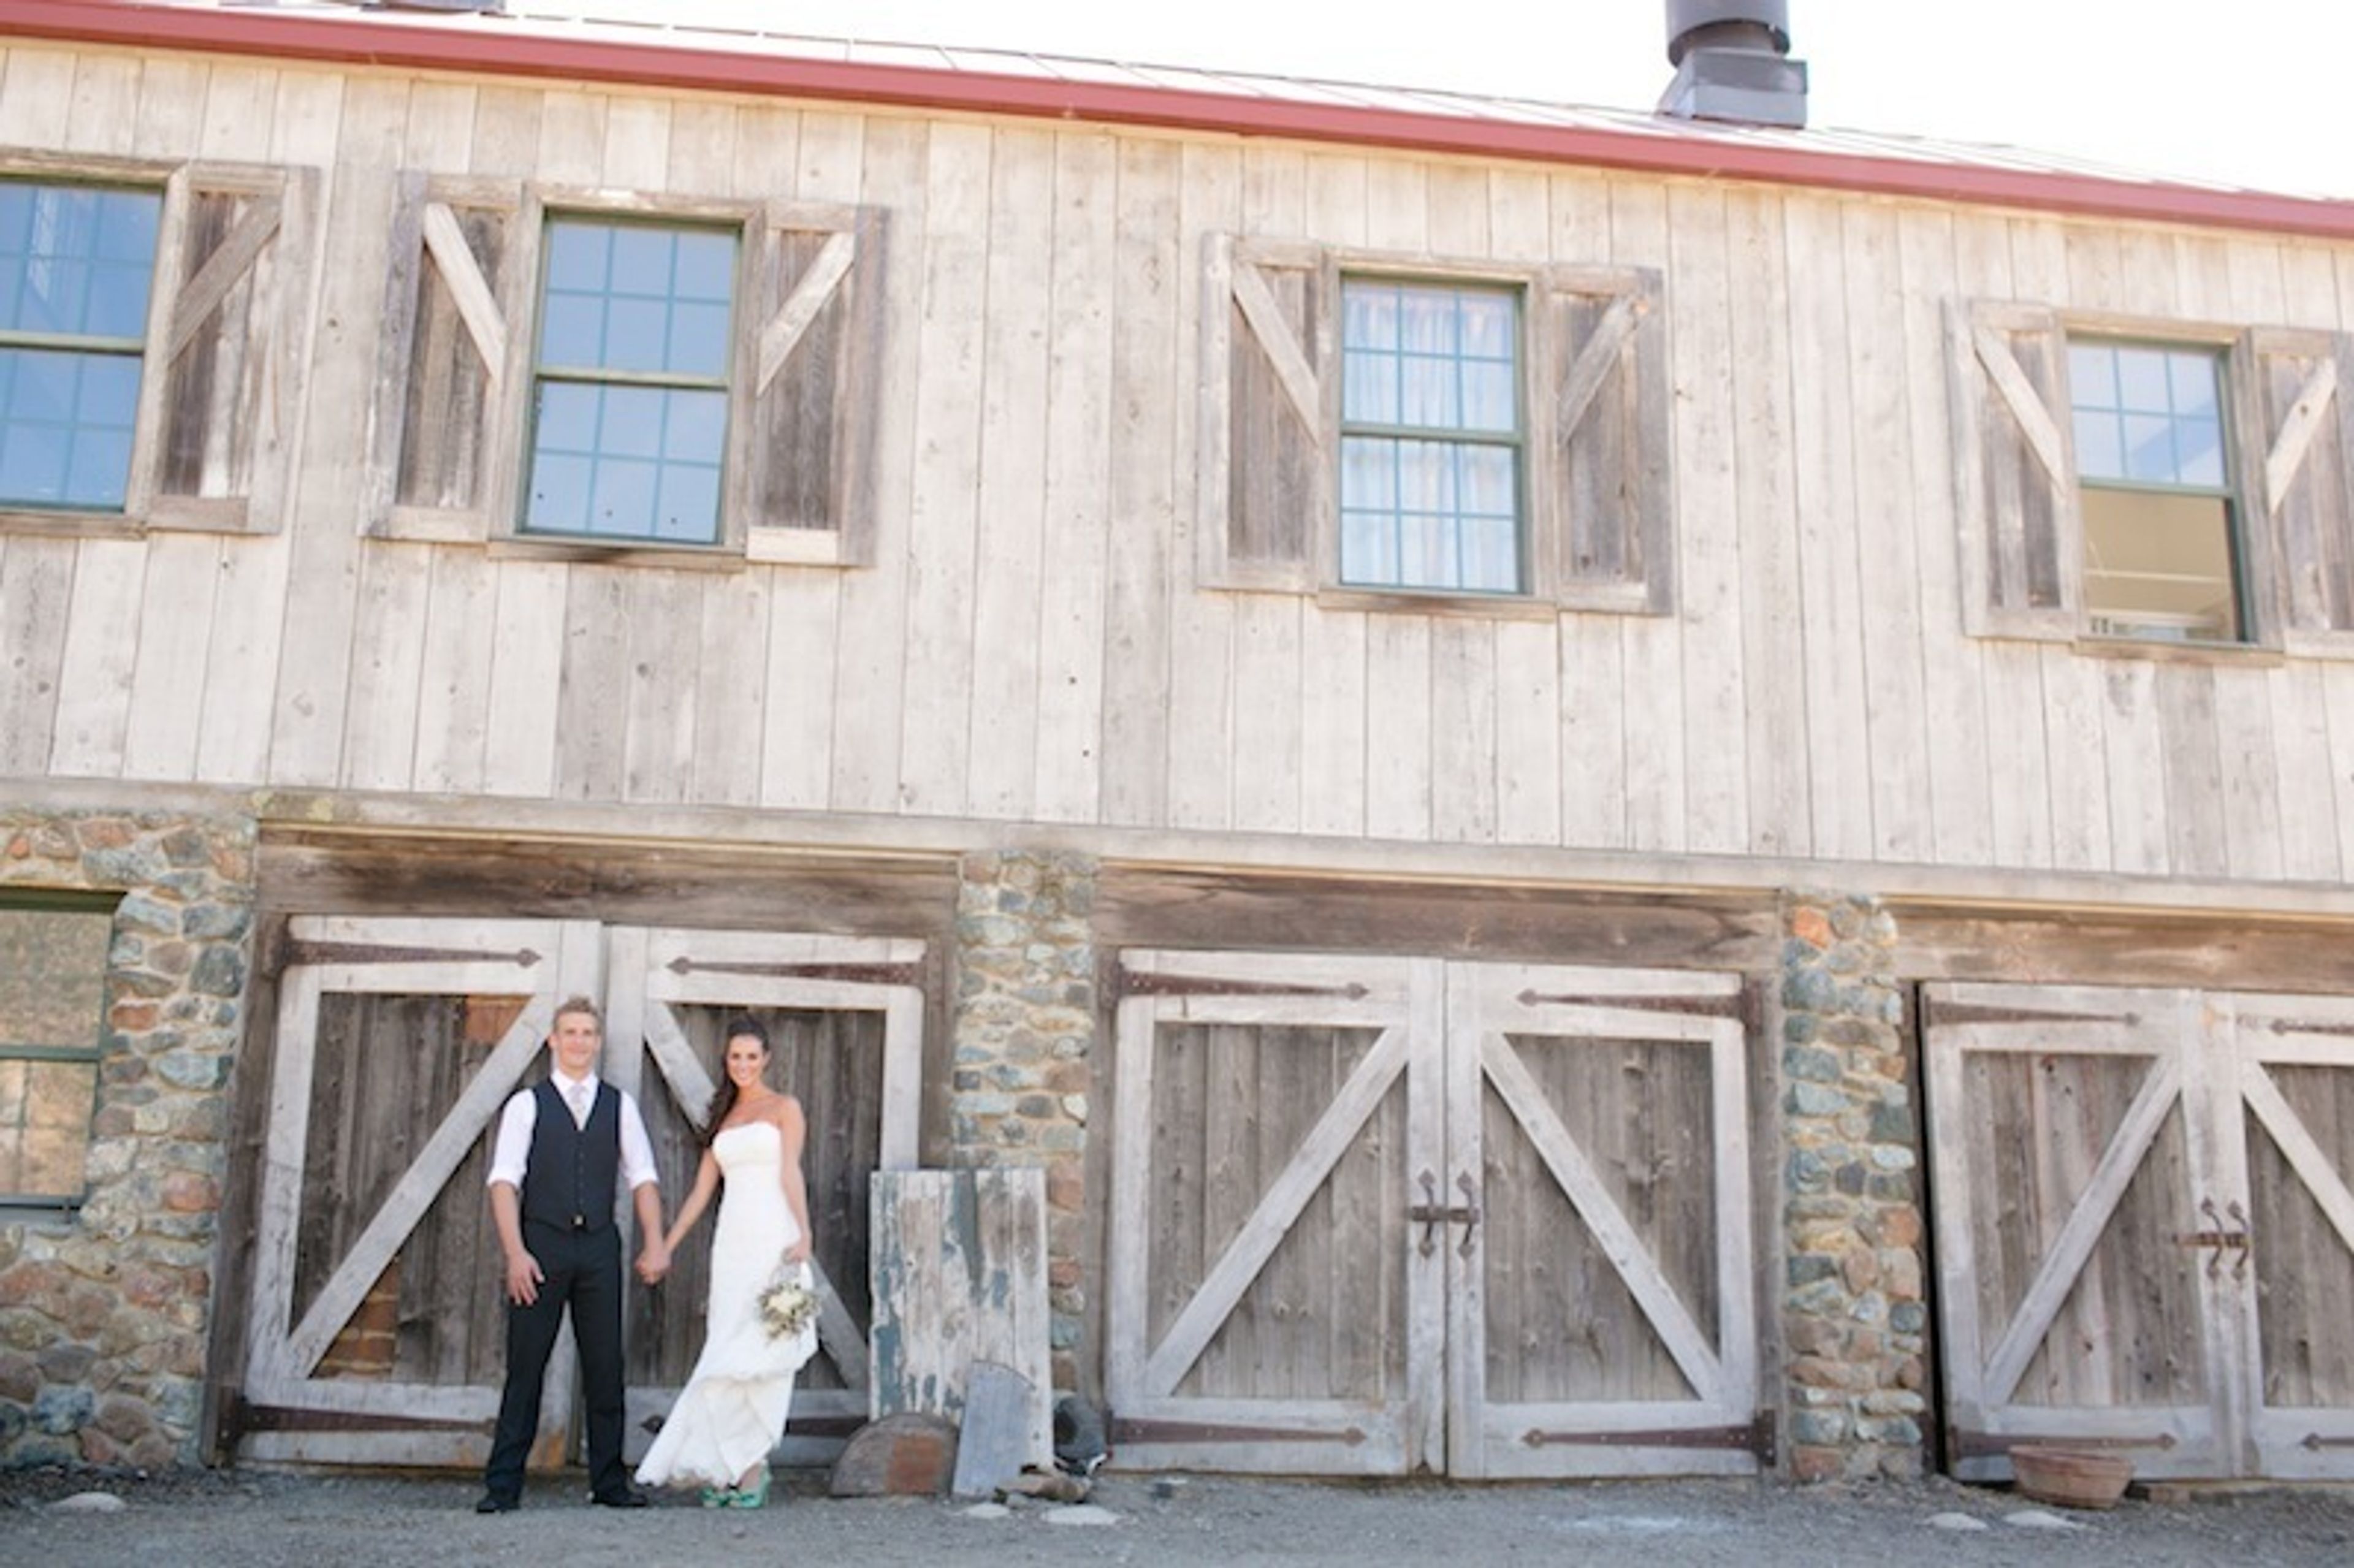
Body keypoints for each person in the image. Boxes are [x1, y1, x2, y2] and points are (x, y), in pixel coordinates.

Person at [475, 995, 669, 1513]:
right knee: (526, 1366)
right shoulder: (528, 1105)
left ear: (598, 1041)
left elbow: (643, 1177)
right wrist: (516, 1254)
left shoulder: (618, 1105)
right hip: (541, 1245)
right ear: (553, 1041)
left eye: (588, 1032)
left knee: (605, 1366)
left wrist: (654, 1240)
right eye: (570, 1032)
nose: (579, 1041)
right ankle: (502, 1486)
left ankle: (609, 1483)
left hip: (600, 1246)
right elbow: (503, 1182)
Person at [633, 1014, 818, 1509]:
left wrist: (804, 1234)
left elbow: (790, 1172)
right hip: (732, 1243)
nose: (743, 1065)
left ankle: (753, 1468)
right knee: (726, 1347)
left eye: (752, 1057)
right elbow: (700, 1193)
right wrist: (667, 1245)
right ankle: (725, 1463)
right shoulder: (724, 1119)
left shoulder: (784, 1108)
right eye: (735, 1057)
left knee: (763, 1348)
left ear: (767, 1059)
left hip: (773, 1235)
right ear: (726, 1060)